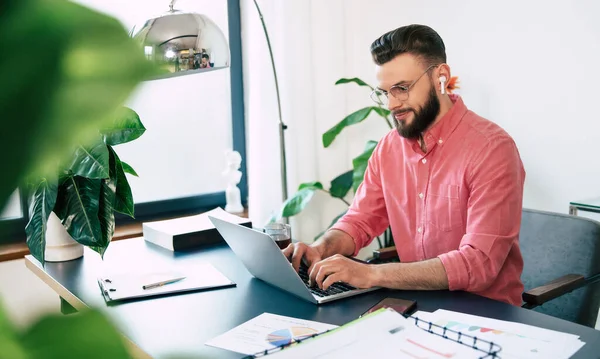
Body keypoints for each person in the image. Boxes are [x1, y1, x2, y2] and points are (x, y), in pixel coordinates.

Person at [283, 24, 526, 306]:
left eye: (402, 88)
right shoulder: (389, 148)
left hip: (487, 315)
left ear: (441, 78)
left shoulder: (492, 149)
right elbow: (361, 220)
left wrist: (371, 274)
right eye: (385, 92)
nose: (391, 104)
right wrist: (320, 248)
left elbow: (478, 263)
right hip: (416, 305)